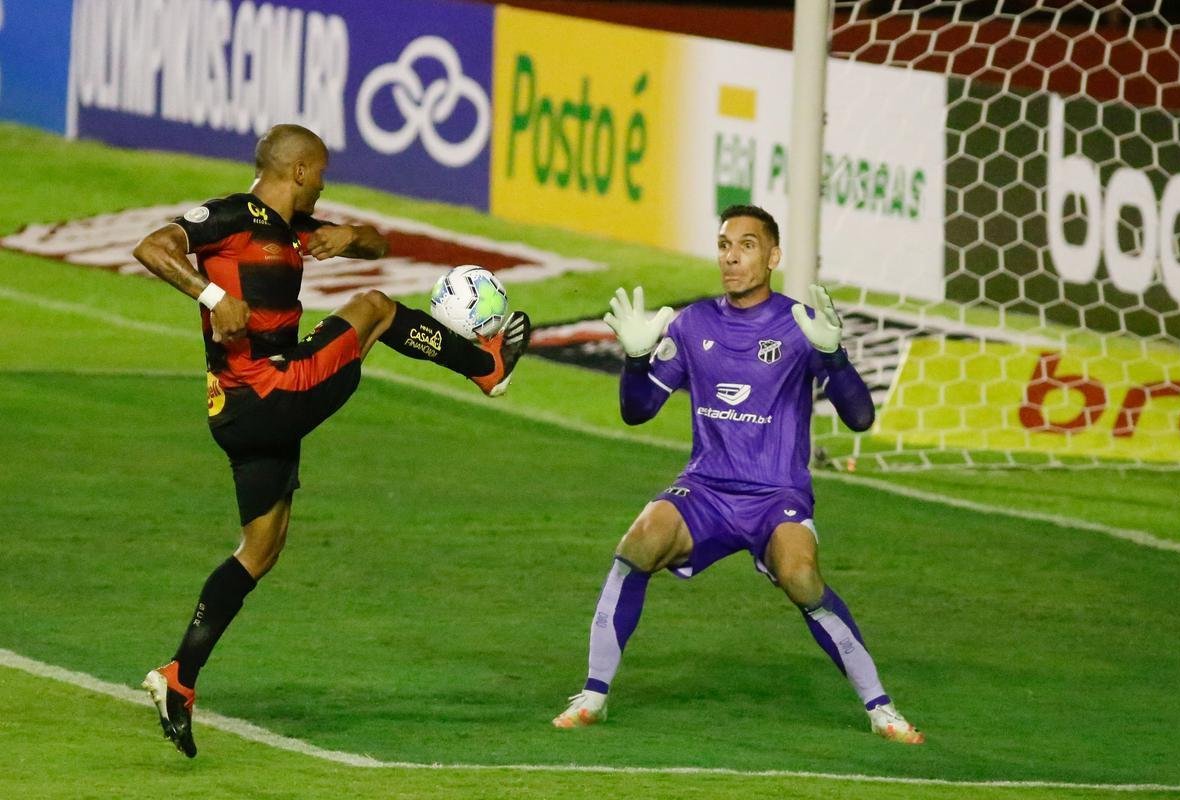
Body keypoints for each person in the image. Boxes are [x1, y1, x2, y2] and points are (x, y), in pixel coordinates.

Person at [132, 123, 531, 758]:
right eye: (320, 175)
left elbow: (376, 245)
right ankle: (486, 367)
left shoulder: (293, 231)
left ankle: (179, 676)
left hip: (245, 412)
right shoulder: (231, 217)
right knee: (372, 308)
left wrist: (353, 236)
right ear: (297, 171)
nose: (323, 184)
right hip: (265, 394)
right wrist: (210, 292)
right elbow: (151, 247)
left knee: (259, 549)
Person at [551, 204, 922, 744]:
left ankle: (880, 707)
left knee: (801, 579)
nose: (731, 256)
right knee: (637, 545)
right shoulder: (694, 322)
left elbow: (861, 417)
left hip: (777, 495)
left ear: (773, 257)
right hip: (706, 489)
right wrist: (634, 360)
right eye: (724, 244)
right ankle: (593, 696)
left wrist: (835, 357)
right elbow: (638, 412)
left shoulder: (800, 326)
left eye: (746, 245)